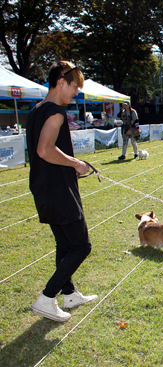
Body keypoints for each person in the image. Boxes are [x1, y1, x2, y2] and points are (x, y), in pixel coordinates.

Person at [26, 61, 97, 322]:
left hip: (43, 188)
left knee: (64, 243)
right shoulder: (55, 112)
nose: (76, 92)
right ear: (60, 82)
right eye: (75, 86)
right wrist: (76, 163)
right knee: (81, 246)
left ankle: (69, 294)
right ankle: (47, 298)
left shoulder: (36, 110)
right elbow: (44, 150)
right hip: (57, 189)